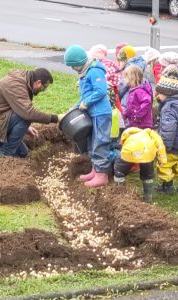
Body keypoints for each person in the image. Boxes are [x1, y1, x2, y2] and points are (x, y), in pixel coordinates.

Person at [0, 68, 61, 159]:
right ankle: (1, 153)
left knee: (23, 153)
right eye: (44, 88)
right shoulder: (17, 85)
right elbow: (28, 113)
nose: (42, 91)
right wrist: (56, 118)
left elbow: (18, 109)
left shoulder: (23, 81)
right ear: (39, 82)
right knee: (26, 118)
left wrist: (25, 128)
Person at [64, 44, 112, 188]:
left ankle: (102, 174)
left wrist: (87, 102)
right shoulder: (85, 73)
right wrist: (74, 108)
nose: (73, 69)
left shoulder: (94, 71)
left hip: (101, 113)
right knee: (92, 142)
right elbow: (85, 95)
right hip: (93, 113)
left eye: (74, 66)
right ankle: (95, 170)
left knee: (100, 142)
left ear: (80, 62)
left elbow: (101, 91)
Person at [155, 68, 178, 195]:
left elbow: (168, 128)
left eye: (159, 93)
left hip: (171, 144)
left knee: (165, 164)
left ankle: (167, 186)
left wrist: (164, 146)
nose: (157, 96)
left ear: (166, 93)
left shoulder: (168, 108)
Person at [114, 127, 166, 202]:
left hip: (129, 150)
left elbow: (123, 137)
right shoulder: (153, 135)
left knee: (120, 169)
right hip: (147, 152)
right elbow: (160, 146)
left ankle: (119, 194)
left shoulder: (130, 131)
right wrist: (162, 160)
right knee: (147, 173)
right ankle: (148, 196)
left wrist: (123, 145)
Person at [122, 64, 153, 129]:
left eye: (125, 77)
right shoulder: (133, 91)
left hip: (142, 123)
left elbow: (147, 102)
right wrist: (125, 114)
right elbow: (131, 106)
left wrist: (137, 115)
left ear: (132, 78)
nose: (124, 80)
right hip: (135, 122)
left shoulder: (139, 91)